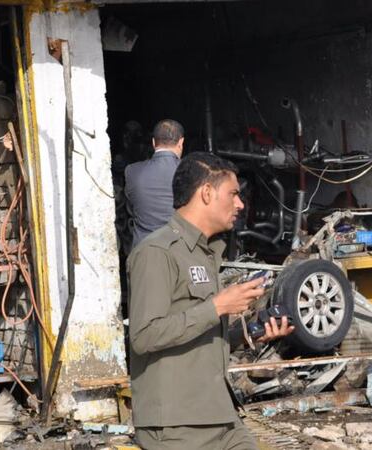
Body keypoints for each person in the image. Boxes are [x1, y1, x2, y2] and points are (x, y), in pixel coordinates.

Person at [127, 152, 294, 450]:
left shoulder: (206, 254)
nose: (240, 204)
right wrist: (217, 306)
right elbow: (144, 335)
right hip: (177, 427)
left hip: (220, 416)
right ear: (206, 193)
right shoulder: (156, 252)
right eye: (233, 194)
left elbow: (199, 335)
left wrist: (250, 334)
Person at [125, 119, 185, 248]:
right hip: (179, 249)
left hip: (143, 249)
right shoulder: (192, 171)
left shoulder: (132, 171)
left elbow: (131, 207)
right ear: (181, 142)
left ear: (153, 143)